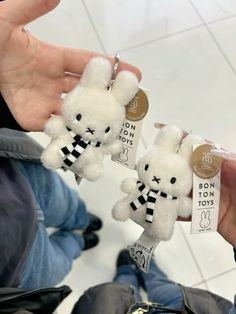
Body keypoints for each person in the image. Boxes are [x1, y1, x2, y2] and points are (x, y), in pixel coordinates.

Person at [0, 0, 141, 289]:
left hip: (13, 177)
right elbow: (56, 127)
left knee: (63, 198)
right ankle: (75, 241)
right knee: (57, 263)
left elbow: (107, 146)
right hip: (14, 266)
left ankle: (79, 219)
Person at [71, 249, 235, 314]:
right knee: (160, 286)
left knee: (125, 290)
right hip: (193, 309)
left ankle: (128, 272)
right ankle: (147, 266)